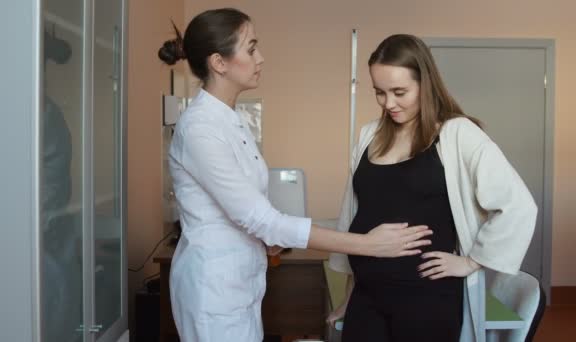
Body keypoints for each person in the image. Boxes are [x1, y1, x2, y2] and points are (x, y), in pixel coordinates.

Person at [157, 9, 433, 342]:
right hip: (213, 288)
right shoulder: (200, 128)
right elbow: (259, 218)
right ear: (219, 63)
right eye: (251, 48)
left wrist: (269, 238)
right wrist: (367, 245)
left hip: (241, 284)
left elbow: (251, 213)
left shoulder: (229, 120)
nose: (260, 58)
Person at [326, 34, 537, 342]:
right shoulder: (370, 134)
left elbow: (518, 205)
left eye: (399, 92)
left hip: (426, 297)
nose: (389, 103)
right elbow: (354, 214)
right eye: (380, 93)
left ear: (425, 84)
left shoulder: (457, 134)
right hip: (367, 295)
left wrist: (471, 261)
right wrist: (349, 291)